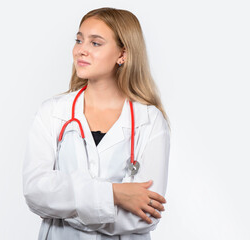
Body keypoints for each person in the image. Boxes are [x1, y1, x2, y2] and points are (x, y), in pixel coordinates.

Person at [23, 7, 170, 240]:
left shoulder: (149, 121)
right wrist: (115, 194)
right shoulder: (52, 112)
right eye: (79, 40)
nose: (81, 50)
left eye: (95, 43)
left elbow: (145, 214)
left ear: (123, 54)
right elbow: (36, 192)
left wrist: (66, 208)